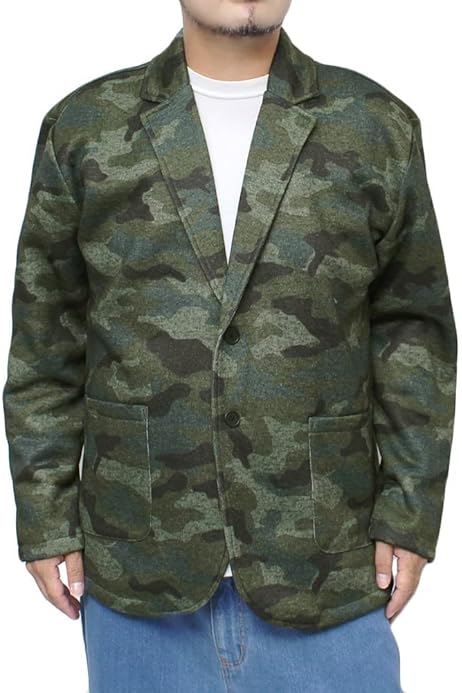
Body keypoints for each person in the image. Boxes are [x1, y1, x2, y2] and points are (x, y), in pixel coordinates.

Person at [3, 1, 457, 691]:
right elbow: (45, 343)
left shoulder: (374, 126)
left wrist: (410, 512)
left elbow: (413, 330)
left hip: (326, 566)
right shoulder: (86, 128)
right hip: (137, 565)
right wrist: (44, 517)